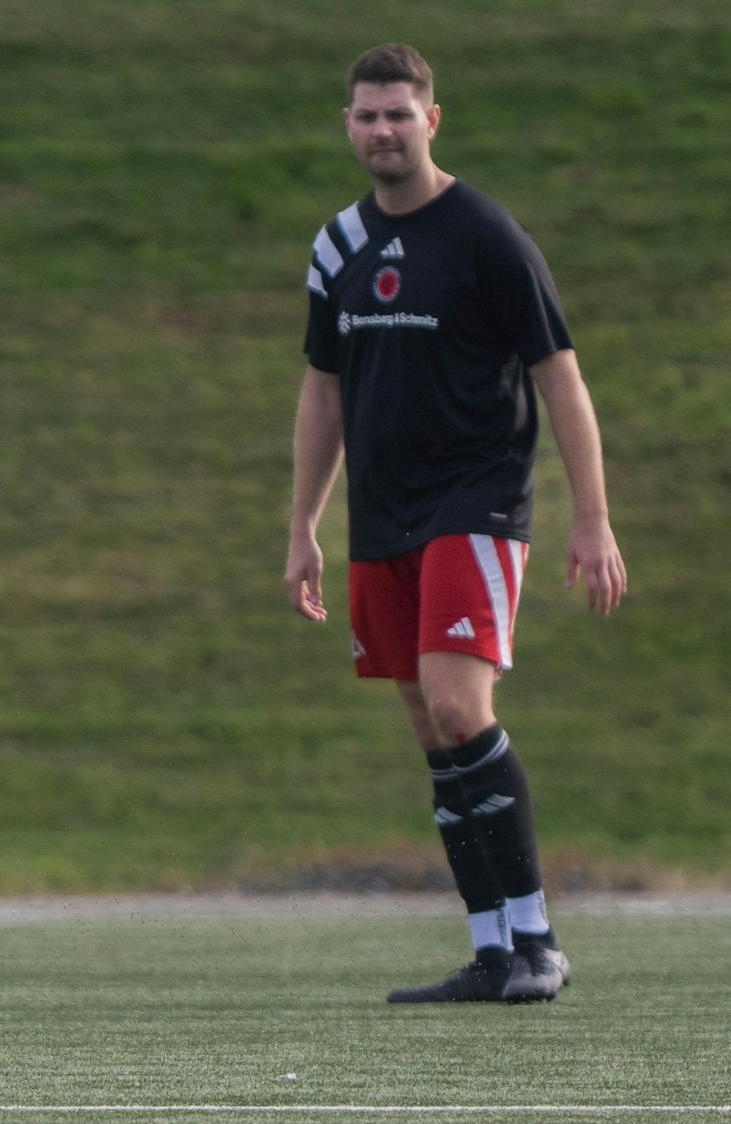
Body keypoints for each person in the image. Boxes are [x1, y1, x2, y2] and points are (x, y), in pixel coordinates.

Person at [287, 44, 626, 1004]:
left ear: (431, 120)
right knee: (427, 726)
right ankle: (490, 950)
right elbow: (321, 392)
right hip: (381, 515)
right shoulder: (336, 247)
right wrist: (302, 525)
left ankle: (538, 940)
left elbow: (560, 377)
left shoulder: (485, 235)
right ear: (347, 125)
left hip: (474, 501)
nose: (382, 130)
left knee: (455, 704)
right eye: (366, 115)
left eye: (398, 113)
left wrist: (592, 519)